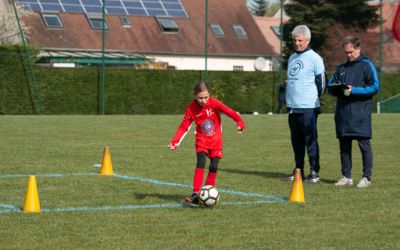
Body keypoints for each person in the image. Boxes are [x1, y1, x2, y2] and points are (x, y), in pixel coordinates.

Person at [168, 81, 246, 205]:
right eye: (200, 98)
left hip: (216, 142)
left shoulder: (214, 103)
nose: (203, 100)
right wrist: (175, 142)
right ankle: (195, 193)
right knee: (201, 162)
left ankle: (206, 192)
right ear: (194, 95)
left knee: (214, 167)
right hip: (201, 141)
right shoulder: (191, 108)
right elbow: (184, 126)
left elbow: (230, 112)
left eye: (206, 97)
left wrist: (240, 122)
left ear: (209, 95)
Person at [327, 36, 380, 188]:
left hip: (360, 114)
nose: (348, 55)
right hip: (343, 114)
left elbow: (375, 87)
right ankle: (346, 176)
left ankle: (366, 177)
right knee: (344, 146)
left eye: (351, 52)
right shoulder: (341, 68)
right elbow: (332, 84)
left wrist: (354, 90)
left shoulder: (367, 65)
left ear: (358, 49)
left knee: (364, 146)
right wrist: (334, 88)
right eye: (346, 53)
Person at [285, 25, 326, 183]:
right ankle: (298, 171)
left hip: (308, 108)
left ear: (307, 40)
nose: (297, 43)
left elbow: (322, 83)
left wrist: (313, 98)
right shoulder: (292, 58)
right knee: (296, 142)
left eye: (300, 40)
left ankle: (314, 172)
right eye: (295, 40)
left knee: (310, 140)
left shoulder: (315, 58)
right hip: (293, 108)